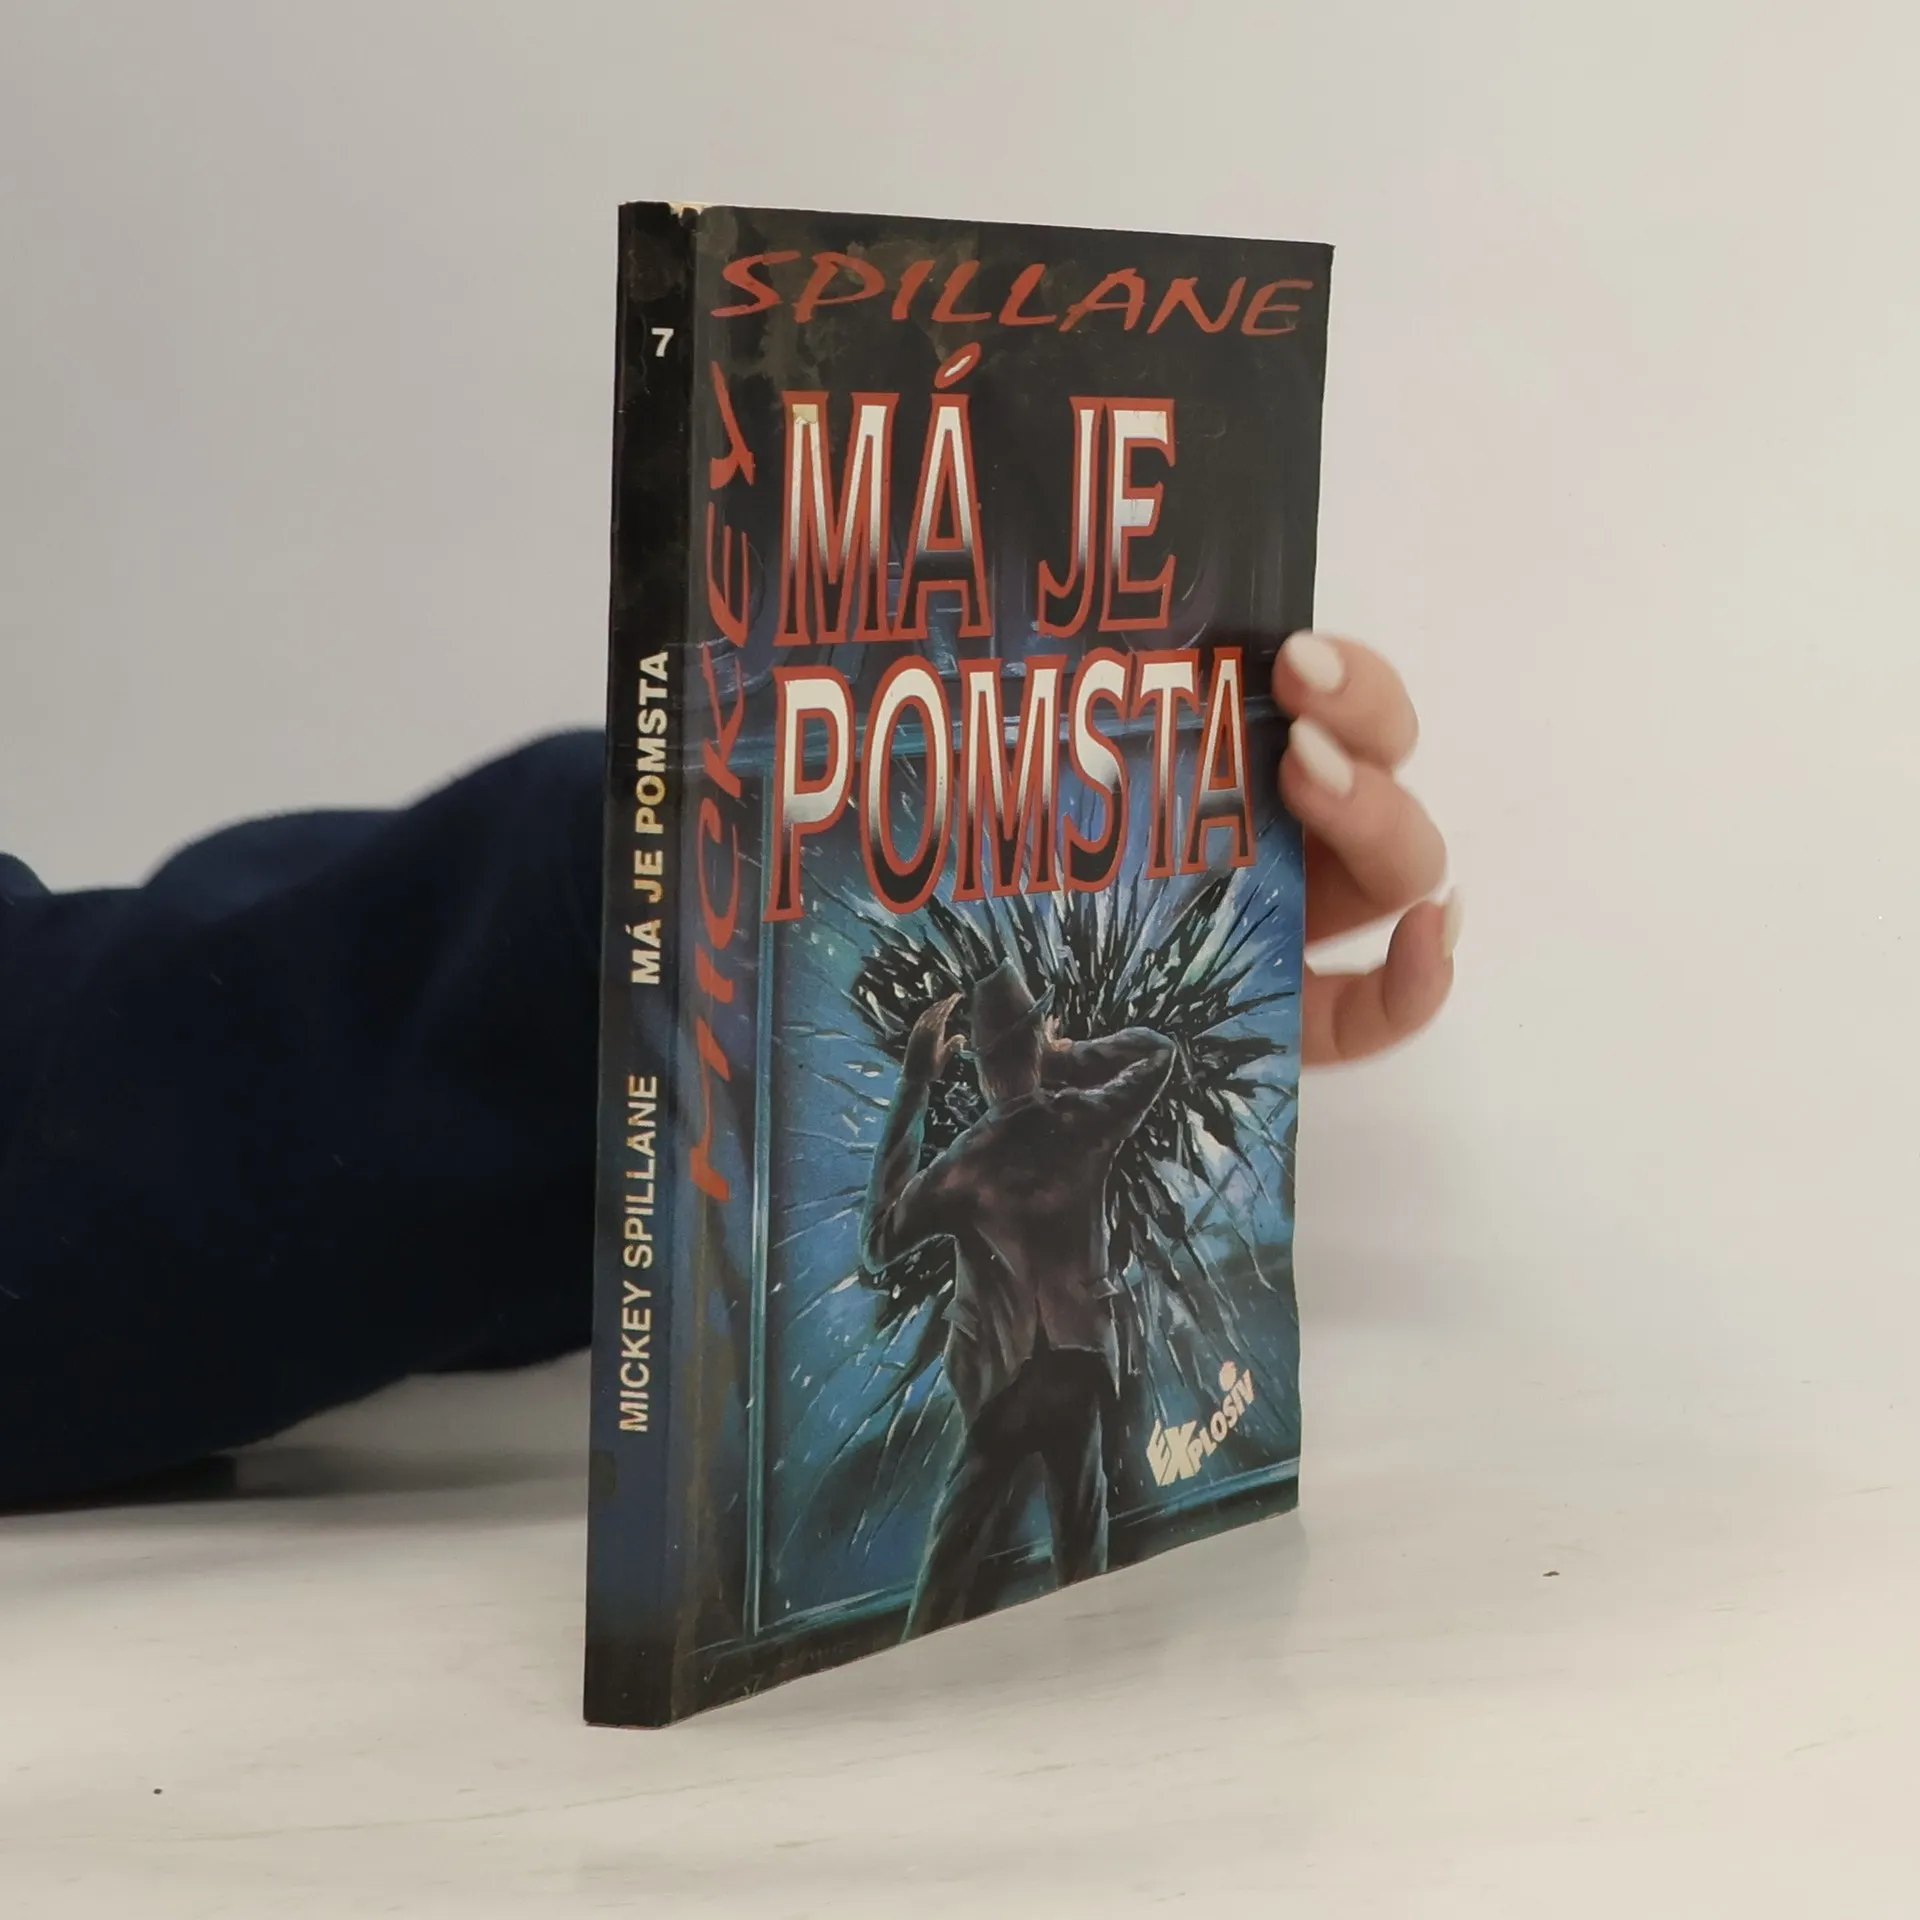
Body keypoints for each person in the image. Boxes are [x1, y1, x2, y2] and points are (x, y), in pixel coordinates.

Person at [0, 632, 1457, 1510]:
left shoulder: (1053, 1119)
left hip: (1067, 1384)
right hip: (1014, 1397)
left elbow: (78, 1065)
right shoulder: (987, 1150)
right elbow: (892, 1227)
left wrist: (650, 917)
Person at [861, 962, 1176, 1634]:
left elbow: (878, 1239)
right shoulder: (1083, 1121)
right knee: (1082, 1539)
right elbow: (1158, 1052)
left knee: (951, 1552)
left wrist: (915, 1084)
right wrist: (1064, 1058)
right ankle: (1089, 1650)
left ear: (980, 1070)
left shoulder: (964, 1162)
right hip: (1077, 1364)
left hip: (1001, 1377)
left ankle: (917, 1652)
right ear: (1037, 1044)